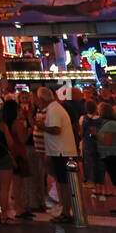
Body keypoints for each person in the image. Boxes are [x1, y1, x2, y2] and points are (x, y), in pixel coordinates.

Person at [38, 86, 79, 222]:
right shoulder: (54, 108)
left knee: (64, 183)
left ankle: (67, 212)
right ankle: (66, 210)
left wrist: (41, 126)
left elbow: (56, 129)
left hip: (61, 152)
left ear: (41, 99)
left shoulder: (54, 110)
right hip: (60, 150)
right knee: (63, 182)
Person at [97, 103, 116, 212]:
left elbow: (107, 141)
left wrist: (96, 135)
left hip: (112, 155)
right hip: (109, 155)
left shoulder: (110, 124)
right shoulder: (109, 124)